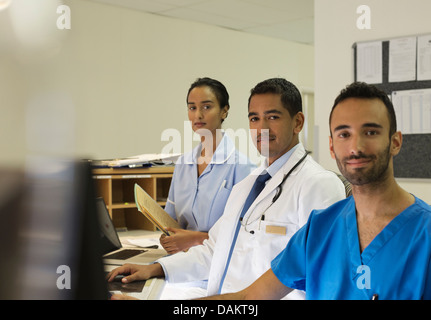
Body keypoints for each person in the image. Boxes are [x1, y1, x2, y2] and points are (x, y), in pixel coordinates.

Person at [107, 78, 346, 300]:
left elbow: (323, 280)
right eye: (254, 119)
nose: (262, 128)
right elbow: (213, 250)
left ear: (298, 122)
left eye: (272, 117)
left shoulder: (319, 185)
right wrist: (155, 268)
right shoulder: (248, 186)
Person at [205, 82, 431, 300]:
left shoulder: (424, 233)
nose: (355, 147)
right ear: (332, 147)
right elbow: (249, 296)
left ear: (395, 142)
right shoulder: (319, 228)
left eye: (370, 132)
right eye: (344, 134)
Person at [161, 77, 255, 254]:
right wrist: (167, 235)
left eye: (207, 107)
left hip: (219, 263)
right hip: (180, 259)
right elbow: (170, 220)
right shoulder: (183, 164)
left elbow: (245, 234)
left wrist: (196, 239)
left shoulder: (242, 167)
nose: (198, 115)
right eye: (192, 107)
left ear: (224, 111)